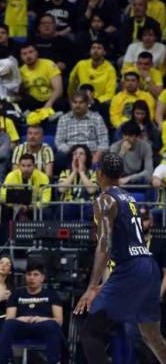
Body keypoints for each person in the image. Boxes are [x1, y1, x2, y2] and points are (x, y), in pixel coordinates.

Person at [75, 152, 166, 364]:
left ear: (99, 173)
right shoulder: (129, 197)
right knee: (151, 335)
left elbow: (104, 243)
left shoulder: (105, 200)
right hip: (148, 265)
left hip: (130, 268)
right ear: (121, 174)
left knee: (90, 333)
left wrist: (92, 286)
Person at [0, 262, 63, 364]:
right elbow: (9, 318)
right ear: (25, 277)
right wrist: (20, 319)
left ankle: (53, 362)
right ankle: (4, 361)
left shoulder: (52, 294)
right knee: (8, 324)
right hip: (22, 328)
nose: (32, 278)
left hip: (42, 328)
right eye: (29, 274)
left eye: (35, 274)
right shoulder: (16, 294)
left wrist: (43, 319)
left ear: (42, 278)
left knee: (53, 325)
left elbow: (59, 320)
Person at [55, 92, 109, 166]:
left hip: (91, 154)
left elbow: (104, 141)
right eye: (75, 102)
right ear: (71, 104)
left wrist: (97, 155)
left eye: (81, 102)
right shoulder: (64, 119)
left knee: (105, 158)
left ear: (87, 104)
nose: (77, 105)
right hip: (70, 154)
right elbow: (59, 142)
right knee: (59, 157)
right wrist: (73, 152)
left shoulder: (97, 118)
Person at [1, 154, 51, 219]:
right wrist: (16, 205)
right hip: (14, 206)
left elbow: (45, 200)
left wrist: (30, 207)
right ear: (19, 166)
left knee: (46, 212)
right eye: (23, 166)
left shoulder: (43, 177)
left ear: (34, 166)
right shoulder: (11, 176)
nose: (26, 169)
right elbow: (3, 195)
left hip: (33, 207)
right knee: (3, 209)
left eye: (29, 166)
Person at [109, 121, 153, 185]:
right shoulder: (115, 146)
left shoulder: (146, 146)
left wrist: (129, 179)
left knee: (150, 179)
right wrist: (122, 153)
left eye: (130, 136)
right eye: (125, 135)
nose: (126, 138)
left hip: (138, 178)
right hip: (119, 179)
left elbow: (149, 171)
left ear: (137, 137)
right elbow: (111, 170)